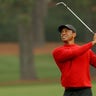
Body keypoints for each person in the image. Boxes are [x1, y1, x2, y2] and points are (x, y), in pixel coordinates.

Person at [52, 24, 96, 96]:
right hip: (69, 92)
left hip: (85, 91)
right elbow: (74, 53)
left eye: (66, 31)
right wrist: (92, 43)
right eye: (62, 32)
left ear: (74, 34)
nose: (63, 33)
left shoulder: (87, 51)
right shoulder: (57, 51)